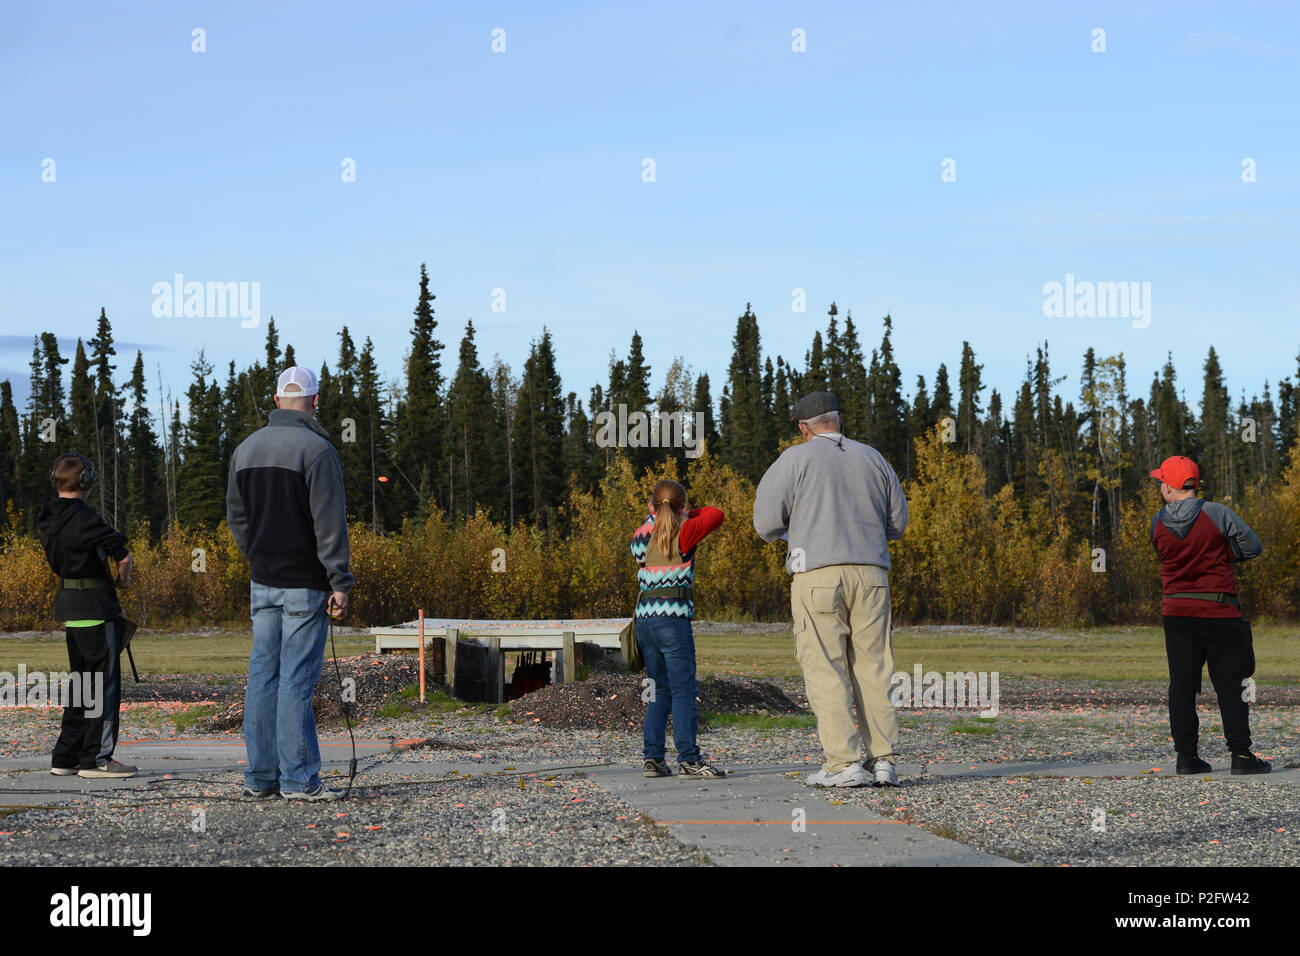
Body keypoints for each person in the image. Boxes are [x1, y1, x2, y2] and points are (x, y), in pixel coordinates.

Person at [753, 391, 908, 788]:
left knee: (826, 668)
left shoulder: (794, 459)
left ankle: (843, 762)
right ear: (838, 419)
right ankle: (884, 760)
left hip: (817, 573)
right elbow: (898, 523)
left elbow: (766, 524)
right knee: (875, 667)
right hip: (873, 573)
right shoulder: (874, 458)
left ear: (804, 427)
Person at [226, 366, 355, 801]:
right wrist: (339, 580)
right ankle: (299, 781)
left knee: (262, 677)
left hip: (262, 582)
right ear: (315, 402)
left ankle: (260, 778)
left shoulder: (245, 450)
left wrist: (258, 555)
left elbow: (236, 518)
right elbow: (329, 524)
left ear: (277, 400)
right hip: (305, 583)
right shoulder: (318, 451)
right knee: (296, 682)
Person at [1149, 455, 1269, 775]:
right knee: (1232, 684)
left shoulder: (1157, 522)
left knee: (1182, 686)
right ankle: (1241, 757)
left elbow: (1163, 554)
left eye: (1162, 480)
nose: (1160, 485)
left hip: (1176, 611)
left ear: (1172, 487)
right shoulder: (1217, 513)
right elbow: (1253, 546)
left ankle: (1186, 757)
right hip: (1219, 610)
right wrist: (1226, 553)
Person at [37, 452, 137, 779]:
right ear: (86, 482)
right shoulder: (86, 518)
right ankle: (97, 758)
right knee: (105, 687)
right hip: (96, 610)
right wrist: (122, 583)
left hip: (70, 609)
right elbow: (122, 555)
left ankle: (65, 756)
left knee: (82, 685)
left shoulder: (49, 519)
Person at [630, 478, 726, 778]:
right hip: (672, 620)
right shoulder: (685, 530)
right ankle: (689, 759)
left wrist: (660, 511)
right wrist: (684, 511)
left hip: (644, 621)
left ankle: (653, 759)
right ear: (681, 507)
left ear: (651, 507)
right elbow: (716, 514)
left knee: (657, 689)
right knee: (684, 690)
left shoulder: (639, 536)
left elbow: (655, 524)